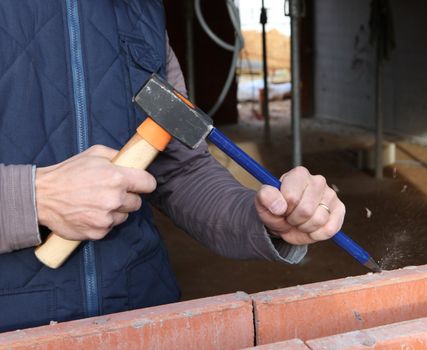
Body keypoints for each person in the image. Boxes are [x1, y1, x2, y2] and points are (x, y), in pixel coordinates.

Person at [0, 1, 344, 333]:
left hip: (144, 312)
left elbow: (180, 171)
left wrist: (267, 217)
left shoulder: (141, 9)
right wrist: (31, 197)